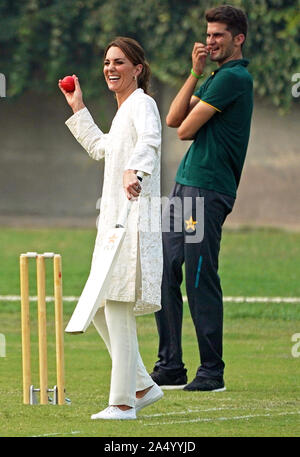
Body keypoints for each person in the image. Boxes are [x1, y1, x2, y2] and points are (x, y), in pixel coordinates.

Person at [59, 37, 163, 419]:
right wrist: (78, 107)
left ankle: (122, 403)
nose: (110, 68)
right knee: (100, 306)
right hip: (114, 221)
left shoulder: (143, 104)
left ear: (138, 68)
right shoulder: (122, 112)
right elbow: (101, 148)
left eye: (119, 62)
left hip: (135, 220)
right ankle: (143, 385)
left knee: (116, 304)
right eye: (106, 62)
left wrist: (135, 171)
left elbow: (151, 140)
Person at [151, 5, 253, 392]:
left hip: (207, 189)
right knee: (163, 271)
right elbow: (173, 117)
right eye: (208, 34)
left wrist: (201, 80)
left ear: (238, 39)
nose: (210, 41)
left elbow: (183, 132)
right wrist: (194, 73)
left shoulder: (235, 78)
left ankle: (212, 372)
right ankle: (171, 367)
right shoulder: (213, 76)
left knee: (198, 277)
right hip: (185, 184)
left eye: (219, 36)